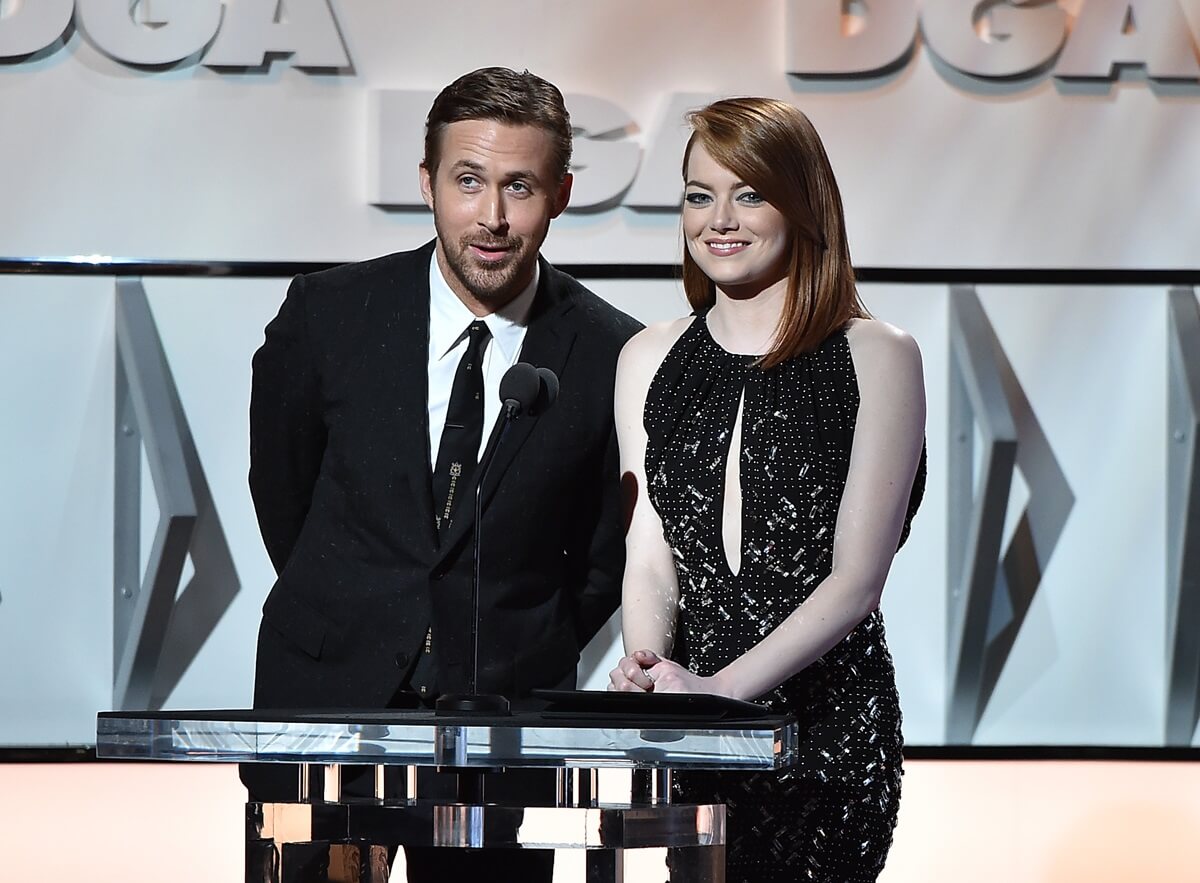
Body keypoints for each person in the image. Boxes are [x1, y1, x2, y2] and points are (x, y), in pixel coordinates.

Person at [245, 66, 641, 881]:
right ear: (427, 183)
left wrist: (515, 641)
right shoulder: (328, 314)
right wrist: (363, 603)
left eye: (519, 186)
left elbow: (604, 558)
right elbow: (281, 493)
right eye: (469, 181)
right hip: (326, 708)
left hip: (499, 729)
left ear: (561, 194)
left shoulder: (611, 353)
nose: (491, 217)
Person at [608, 97, 926, 882]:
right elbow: (649, 546)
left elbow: (856, 580)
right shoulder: (646, 358)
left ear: (802, 202)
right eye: (698, 194)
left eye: (749, 192)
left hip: (826, 740)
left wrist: (719, 693)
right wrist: (651, 668)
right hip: (694, 738)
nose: (721, 218)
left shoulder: (878, 355)